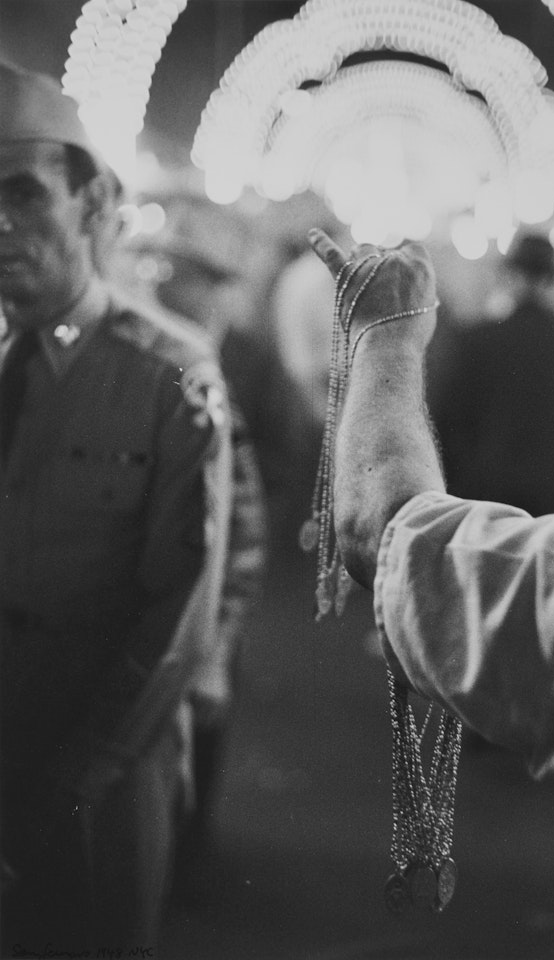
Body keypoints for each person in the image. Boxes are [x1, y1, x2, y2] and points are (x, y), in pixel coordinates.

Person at [307, 227, 554, 948]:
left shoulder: (481, 342)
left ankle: (494, 718)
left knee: (494, 618)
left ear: (509, 274)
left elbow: (392, 521)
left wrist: (388, 338)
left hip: (489, 496)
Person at [0, 61, 232, 953]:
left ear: (93, 204)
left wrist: (71, 784)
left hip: (97, 769)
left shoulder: (168, 375)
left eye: (23, 195)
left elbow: (179, 619)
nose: (0, 224)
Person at [121, 190, 269, 839]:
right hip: (151, 582)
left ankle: (191, 839)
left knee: (198, 732)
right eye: (157, 264)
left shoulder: (243, 358)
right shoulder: (137, 348)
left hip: (212, 580)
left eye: (176, 268)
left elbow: (259, 491)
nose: (160, 278)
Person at [427, 232, 554, 516]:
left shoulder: (474, 341)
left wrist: (456, 494)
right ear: (553, 280)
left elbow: (445, 424)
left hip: (483, 498)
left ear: (510, 275)